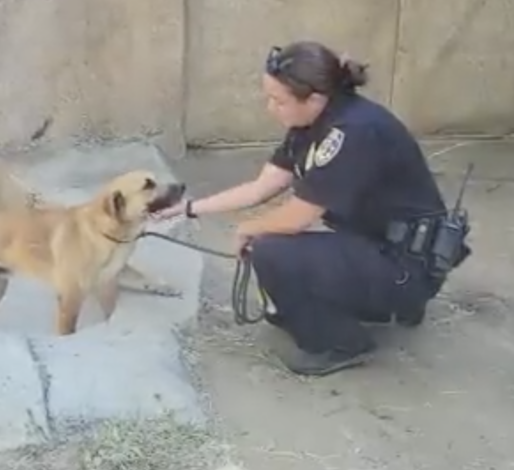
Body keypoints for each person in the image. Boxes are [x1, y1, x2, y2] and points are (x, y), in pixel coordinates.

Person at [153, 40, 459, 377]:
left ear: (313, 97)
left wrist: (248, 229)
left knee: (270, 251)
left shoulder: (353, 132)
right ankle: (366, 307)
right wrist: (189, 208)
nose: (271, 108)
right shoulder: (312, 123)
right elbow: (260, 187)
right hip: (380, 248)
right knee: (275, 261)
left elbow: (299, 216)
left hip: (404, 266)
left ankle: (344, 344)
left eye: (279, 100)